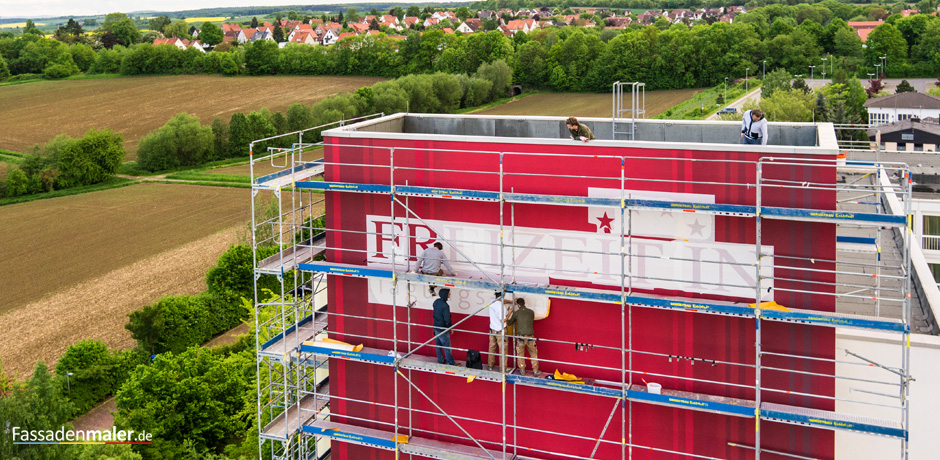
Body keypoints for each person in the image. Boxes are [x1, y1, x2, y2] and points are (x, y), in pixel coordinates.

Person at [506, 298, 540, 377]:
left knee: (520, 354)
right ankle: (535, 371)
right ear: (524, 303)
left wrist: (510, 313)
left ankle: (522, 370)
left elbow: (510, 323)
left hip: (521, 338)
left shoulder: (517, 313)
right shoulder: (531, 312)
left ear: (518, 305)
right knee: (533, 354)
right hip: (530, 337)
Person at [486, 292, 514, 372]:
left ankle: (490, 366)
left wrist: (511, 301)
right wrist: (509, 312)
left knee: (492, 348)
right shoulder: (501, 308)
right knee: (503, 350)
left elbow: (502, 301)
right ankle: (503, 369)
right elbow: (503, 320)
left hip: (492, 329)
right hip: (500, 331)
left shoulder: (492, 302)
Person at [432, 288, 456, 366]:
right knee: (447, 346)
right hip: (443, 328)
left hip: (436, 327)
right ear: (445, 294)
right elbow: (447, 319)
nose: (450, 294)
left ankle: (440, 360)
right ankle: (450, 362)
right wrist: (450, 327)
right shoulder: (445, 306)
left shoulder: (436, 302)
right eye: (449, 293)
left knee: (438, 345)